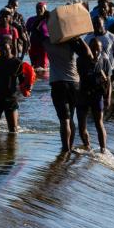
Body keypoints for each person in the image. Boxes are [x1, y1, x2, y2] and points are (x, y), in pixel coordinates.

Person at [45, 24, 91, 154]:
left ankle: (65, 150)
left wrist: (44, 20)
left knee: (64, 120)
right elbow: (88, 54)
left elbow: (35, 33)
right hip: (74, 84)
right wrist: (78, 37)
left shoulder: (48, 42)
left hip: (58, 84)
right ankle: (70, 147)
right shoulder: (72, 43)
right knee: (70, 118)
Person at [76, 38, 111, 153]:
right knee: (81, 124)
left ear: (101, 49)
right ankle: (87, 146)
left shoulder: (105, 61)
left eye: (98, 49)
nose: (95, 52)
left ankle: (103, 150)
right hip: (83, 95)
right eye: (93, 49)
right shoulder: (81, 60)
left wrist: (108, 97)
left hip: (97, 95)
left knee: (99, 123)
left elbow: (109, 81)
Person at [84, 14, 114, 88]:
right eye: (94, 24)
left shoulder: (111, 37)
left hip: (109, 70)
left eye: (98, 24)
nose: (96, 26)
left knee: (110, 91)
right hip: (94, 71)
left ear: (104, 24)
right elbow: (83, 55)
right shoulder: (87, 38)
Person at [26, 2, 50, 71]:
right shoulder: (31, 20)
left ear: (45, 9)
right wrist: (27, 44)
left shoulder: (48, 20)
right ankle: (36, 80)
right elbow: (26, 33)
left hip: (44, 46)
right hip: (33, 45)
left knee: (43, 66)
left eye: (40, 8)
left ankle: (43, 80)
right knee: (34, 67)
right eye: (37, 8)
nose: (38, 10)